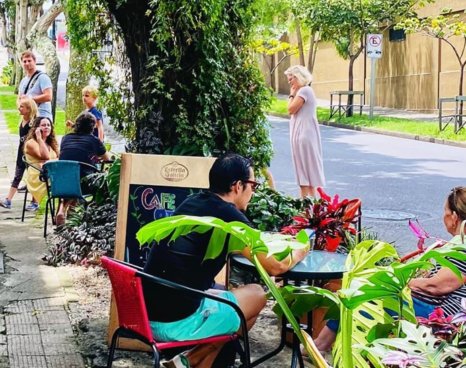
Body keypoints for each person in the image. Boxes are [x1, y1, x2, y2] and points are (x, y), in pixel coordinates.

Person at [143, 153, 310, 368]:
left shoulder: (193, 202)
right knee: (257, 295)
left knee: (232, 306)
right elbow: (275, 267)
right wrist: (300, 250)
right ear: (238, 186)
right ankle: (189, 359)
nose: (253, 192)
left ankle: (190, 361)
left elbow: (237, 247)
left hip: (147, 312)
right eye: (253, 185)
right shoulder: (228, 216)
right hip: (177, 321)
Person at [312, 186, 466, 353]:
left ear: (454, 217)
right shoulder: (458, 245)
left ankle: (322, 346)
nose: (443, 216)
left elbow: (436, 286)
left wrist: (394, 281)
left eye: (445, 211)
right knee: (358, 292)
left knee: (357, 295)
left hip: (437, 314)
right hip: (429, 304)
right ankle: (325, 345)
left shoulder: (462, 249)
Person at [56, 112, 111, 224]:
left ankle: (63, 209)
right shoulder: (94, 141)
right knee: (87, 178)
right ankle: (83, 217)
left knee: (74, 176)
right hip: (83, 184)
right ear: (92, 127)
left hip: (61, 182)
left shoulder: (65, 138)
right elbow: (108, 159)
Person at [286, 65, 325, 198]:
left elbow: (291, 109)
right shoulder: (305, 91)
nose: (289, 82)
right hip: (302, 134)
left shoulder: (304, 91)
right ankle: (310, 206)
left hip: (304, 135)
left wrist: (291, 94)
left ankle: (306, 206)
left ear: (298, 77)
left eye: (291, 78)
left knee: (305, 173)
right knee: (306, 173)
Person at [0, 96, 39, 210]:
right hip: (21, 152)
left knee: (32, 177)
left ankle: (35, 202)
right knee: (17, 176)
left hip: (31, 154)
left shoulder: (34, 123)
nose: (19, 108)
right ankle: (8, 200)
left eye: (22, 107)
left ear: (29, 109)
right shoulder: (23, 121)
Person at [22, 116, 59, 210]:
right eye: (43, 125)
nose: (46, 127)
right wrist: (39, 138)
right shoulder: (31, 143)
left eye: (48, 125)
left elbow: (60, 157)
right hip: (36, 173)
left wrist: (51, 162)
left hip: (50, 170)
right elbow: (45, 156)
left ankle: (64, 204)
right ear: (36, 128)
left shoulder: (51, 142)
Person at [17, 50, 53, 118]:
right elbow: (19, 98)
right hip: (28, 117)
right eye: (24, 61)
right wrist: (20, 107)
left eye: (29, 61)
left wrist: (30, 99)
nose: (27, 63)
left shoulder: (43, 77)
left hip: (42, 116)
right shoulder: (23, 81)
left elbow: (48, 96)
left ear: (35, 61)